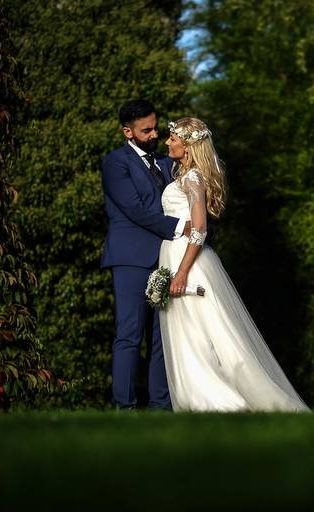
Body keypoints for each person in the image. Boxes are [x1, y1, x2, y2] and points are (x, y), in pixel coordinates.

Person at [159, 117, 309, 412]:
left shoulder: (192, 179)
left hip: (186, 261)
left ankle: (215, 400)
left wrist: (182, 272)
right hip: (177, 256)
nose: (168, 142)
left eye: (173, 138)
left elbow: (199, 229)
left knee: (198, 330)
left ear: (187, 146)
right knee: (191, 329)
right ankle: (196, 396)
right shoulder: (186, 176)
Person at [101, 99, 191, 410]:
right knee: (129, 335)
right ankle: (124, 407)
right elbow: (135, 210)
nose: (154, 134)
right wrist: (182, 227)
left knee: (161, 338)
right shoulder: (116, 163)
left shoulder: (166, 163)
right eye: (146, 130)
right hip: (131, 259)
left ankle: (160, 407)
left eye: (155, 128)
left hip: (166, 256)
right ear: (128, 132)